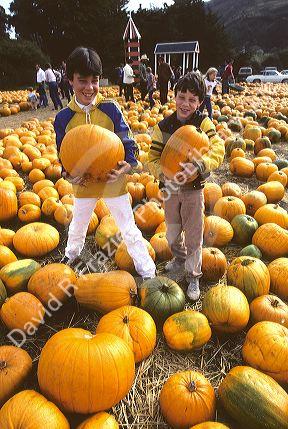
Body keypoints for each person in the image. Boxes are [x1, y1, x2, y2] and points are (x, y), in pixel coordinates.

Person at [54, 47, 156, 280]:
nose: (89, 87)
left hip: (112, 180)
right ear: (70, 80)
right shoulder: (63, 118)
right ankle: (71, 256)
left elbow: (127, 140)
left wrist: (128, 164)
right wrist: (67, 174)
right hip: (84, 184)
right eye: (82, 81)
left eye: (94, 81)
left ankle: (147, 272)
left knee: (128, 228)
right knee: (78, 225)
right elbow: (63, 153)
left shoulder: (110, 108)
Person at [148, 72, 225, 300]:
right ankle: (179, 258)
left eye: (192, 100)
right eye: (182, 97)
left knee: (193, 235)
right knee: (171, 234)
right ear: (174, 97)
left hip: (193, 191)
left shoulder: (203, 123)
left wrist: (201, 166)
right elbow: (151, 158)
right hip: (170, 189)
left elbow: (218, 147)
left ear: (200, 102)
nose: (186, 104)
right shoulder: (163, 127)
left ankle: (193, 276)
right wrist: (165, 174)